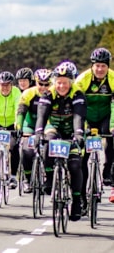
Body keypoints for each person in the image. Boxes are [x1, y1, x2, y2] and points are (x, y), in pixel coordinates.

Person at [35, 63, 86, 221]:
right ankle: (50, 178)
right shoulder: (48, 95)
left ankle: (77, 201)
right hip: (54, 128)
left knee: (75, 165)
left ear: (71, 82)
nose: (61, 86)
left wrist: (78, 134)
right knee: (48, 144)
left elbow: (79, 117)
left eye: (65, 82)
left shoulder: (78, 94)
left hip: (72, 130)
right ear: (54, 82)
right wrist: (38, 133)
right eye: (59, 82)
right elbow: (42, 117)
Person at [75, 47, 114, 205]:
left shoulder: (112, 78)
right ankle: (83, 197)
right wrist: (80, 127)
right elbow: (77, 105)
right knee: (82, 157)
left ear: (108, 66)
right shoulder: (82, 79)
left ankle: (107, 171)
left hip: (106, 117)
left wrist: (112, 126)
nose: (100, 69)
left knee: (112, 140)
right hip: (87, 117)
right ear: (92, 66)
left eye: (103, 66)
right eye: (97, 65)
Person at [15, 68, 52, 193]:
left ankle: (49, 176)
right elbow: (21, 111)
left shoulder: (54, 93)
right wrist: (19, 125)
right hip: (30, 124)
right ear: (35, 83)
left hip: (47, 124)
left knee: (48, 147)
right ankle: (27, 179)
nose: (43, 87)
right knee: (26, 150)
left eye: (46, 84)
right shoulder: (28, 93)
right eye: (40, 84)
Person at [0, 71, 21, 189]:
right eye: (2, 85)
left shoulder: (16, 92)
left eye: (8, 84)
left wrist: (18, 125)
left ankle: (13, 176)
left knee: (14, 147)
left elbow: (18, 109)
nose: (5, 87)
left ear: (12, 85)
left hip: (12, 124)